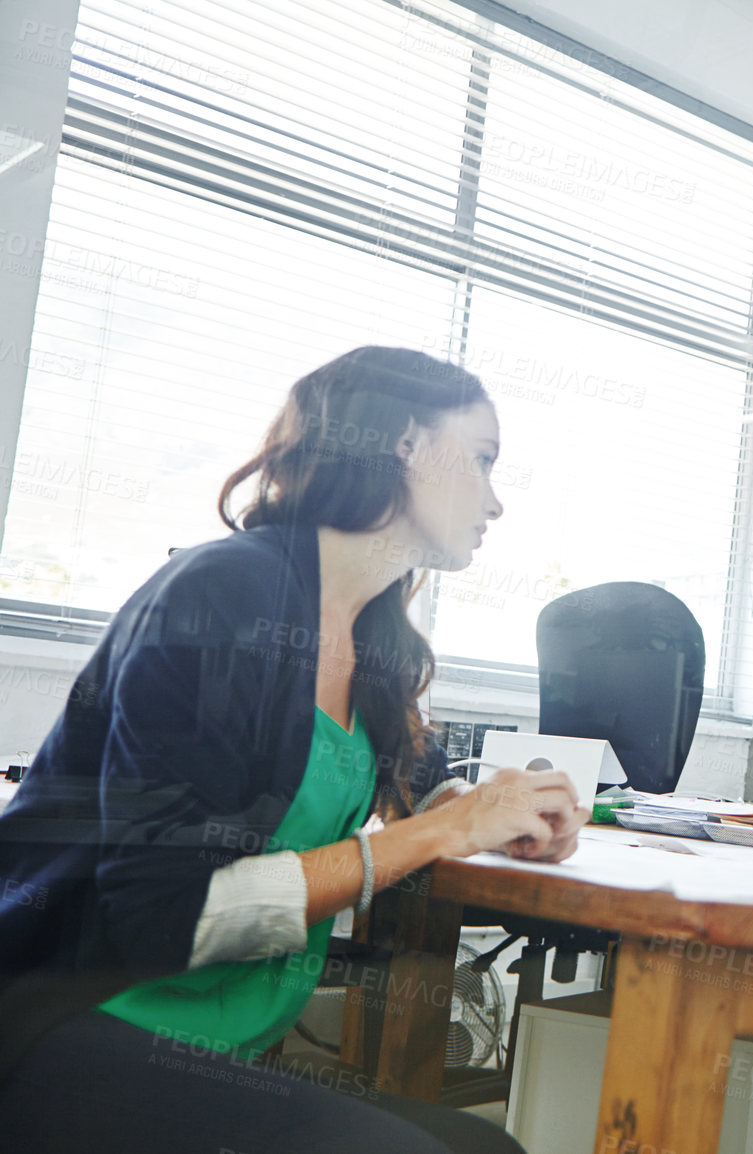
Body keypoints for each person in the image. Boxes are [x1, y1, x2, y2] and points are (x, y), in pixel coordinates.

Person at [0, 347, 584, 1154]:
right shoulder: (223, 597)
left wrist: (495, 812)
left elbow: (420, 797)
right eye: (481, 460)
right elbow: (156, 919)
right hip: (63, 1019)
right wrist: (441, 832)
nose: (495, 501)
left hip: (210, 1048)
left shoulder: (379, 637)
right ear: (403, 444)